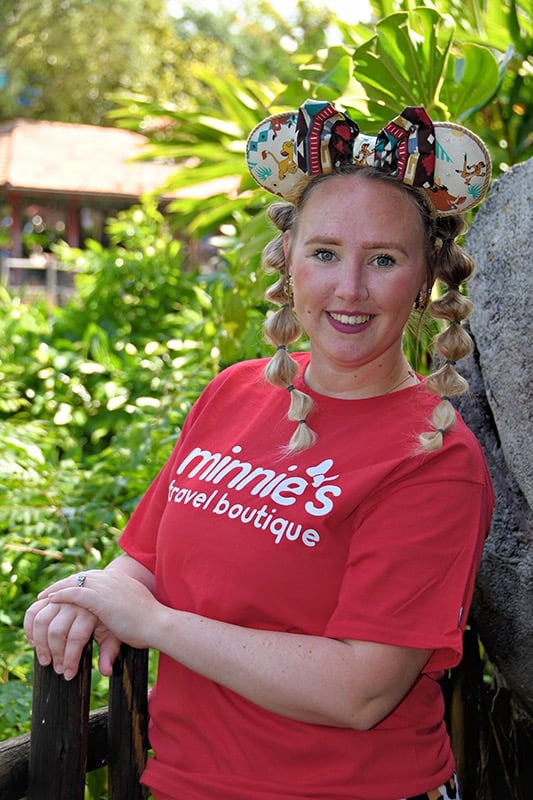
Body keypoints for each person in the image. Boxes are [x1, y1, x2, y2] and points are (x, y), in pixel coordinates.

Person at [24, 100, 494, 800]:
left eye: (384, 259)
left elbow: (359, 689)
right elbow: (145, 556)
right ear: (288, 260)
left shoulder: (433, 458)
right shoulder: (236, 391)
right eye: (325, 252)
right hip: (185, 782)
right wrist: (93, 595)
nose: (349, 288)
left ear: (424, 278)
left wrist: (151, 622)